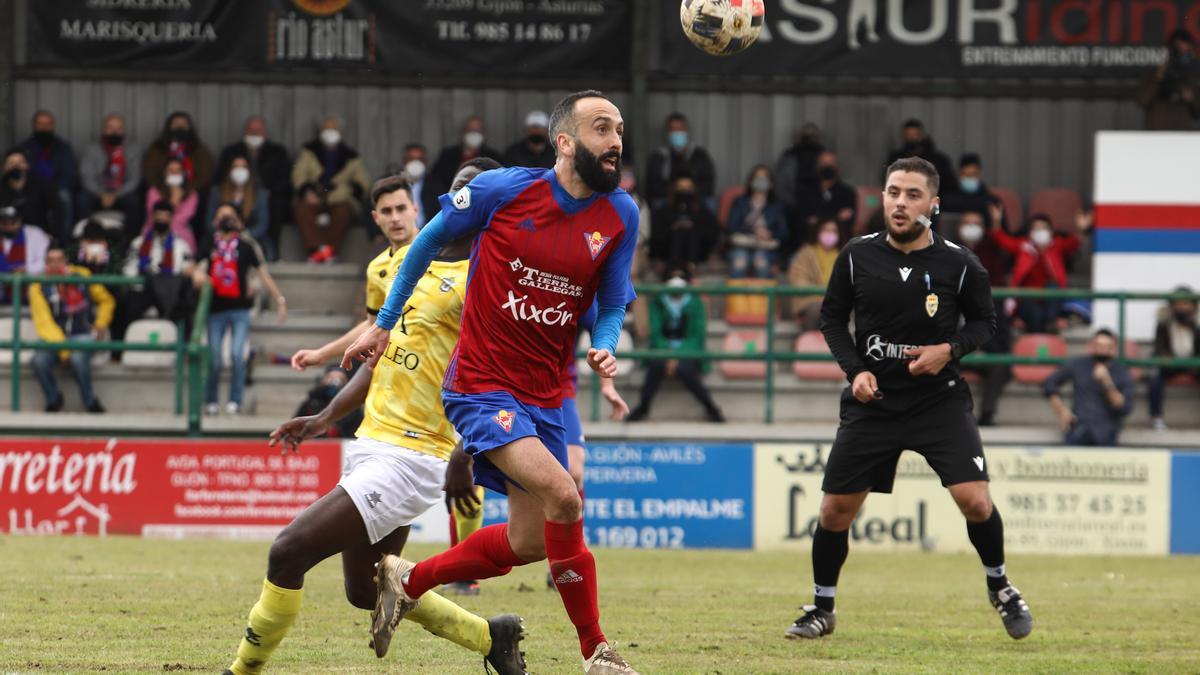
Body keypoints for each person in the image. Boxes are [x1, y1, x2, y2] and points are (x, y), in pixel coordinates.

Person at [344, 89, 640, 674]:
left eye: (620, 131)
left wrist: (603, 349)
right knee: (564, 494)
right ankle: (597, 653)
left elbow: (611, 306)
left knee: (529, 542)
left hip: (546, 392)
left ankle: (407, 580)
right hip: (482, 384)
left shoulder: (620, 214)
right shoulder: (504, 189)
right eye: (602, 129)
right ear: (565, 142)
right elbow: (426, 241)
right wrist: (383, 326)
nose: (616, 142)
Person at [222, 201, 527, 674]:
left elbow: (500, 378)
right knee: (366, 590)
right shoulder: (405, 266)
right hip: (373, 444)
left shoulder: (481, 280)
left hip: (413, 454)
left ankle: (239, 671)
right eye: (457, 191)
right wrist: (324, 416)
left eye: (475, 192)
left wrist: (464, 451)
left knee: (287, 552)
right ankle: (492, 637)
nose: (462, 200)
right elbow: (380, 354)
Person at [789, 157, 1032, 642]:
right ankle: (822, 608)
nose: (900, 202)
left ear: (932, 205)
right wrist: (855, 371)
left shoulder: (960, 264)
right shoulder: (857, 255)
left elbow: (986, 323)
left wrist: (950, 349)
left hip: (937, 402)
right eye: (893, 192)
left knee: (976, 502)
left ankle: (1001, 588)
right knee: (834, 513)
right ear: (882, 197)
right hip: (873, 402)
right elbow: (833, 321)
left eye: (913, 194)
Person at [194, 204, 287, 415]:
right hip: (214, 310)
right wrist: (196, 275)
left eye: (230, 217)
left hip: (239, 311)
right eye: (221, 217)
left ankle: (235, 401)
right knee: (215, 358)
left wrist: (280, 299)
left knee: (237, 354)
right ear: (214, 221)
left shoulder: (246, 246)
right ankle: (211, 400)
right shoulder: (209, 243)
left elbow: (263, 273)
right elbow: (191, 265)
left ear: (239, 222)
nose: (226, 221)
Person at [627, 266, 723, 423]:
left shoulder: (695, 302)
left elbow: (695, 337)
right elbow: (656, 333)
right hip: (662, 349)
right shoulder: (658, 302)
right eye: (672, 277)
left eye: (681, 277)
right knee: (657, 367)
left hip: (687, 350)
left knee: (685, 370)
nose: (676, 282)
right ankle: (643, 407)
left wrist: (676, 357)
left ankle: (711, 407)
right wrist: (668, 354)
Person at [28, 246, 114, 413]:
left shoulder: (82, 276)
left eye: (59, 259)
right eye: (51, 261)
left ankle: (90, 401)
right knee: (38, 361)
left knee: (78, 359)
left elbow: (106, 300)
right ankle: (53, 398)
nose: (56, 264)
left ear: (66, 261)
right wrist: (64, 350)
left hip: (82, 333)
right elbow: (44, 322)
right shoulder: (37, 286)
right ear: (46, 264)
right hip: (53, 338)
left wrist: (101, 322)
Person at [951, 210, 1012, 426]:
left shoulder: (993, 295)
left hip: (985, 350)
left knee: (999, 365)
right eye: (967, 222)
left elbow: (1000, 330)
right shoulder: (947, 257)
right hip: (951, 349)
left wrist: (983, 348)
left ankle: (986, 414)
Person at [112, 202, 196, 352]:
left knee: (183, 306)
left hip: (169, 291)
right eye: (159, 215)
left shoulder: (180, 245)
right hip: (143, 289)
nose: (162, 219)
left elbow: (185, 269)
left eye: (166, 216)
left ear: (171, 219)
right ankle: (119, 352)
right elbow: (129, 269)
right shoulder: (138, 243)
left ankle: (183, 351)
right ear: (152, 217)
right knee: (124, 305)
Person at [987, 212, 1087, 333]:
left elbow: (1074, 242)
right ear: (1030, 233)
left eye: (1043, 228)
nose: (1040, 232)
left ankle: (1051, 324)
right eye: (1036, 229)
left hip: (1052, 301)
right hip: (1027, 298)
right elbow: (1002, 240)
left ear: (1050, 232)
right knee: (1035, 312)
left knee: (1053, 287)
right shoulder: (1022, 245)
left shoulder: (1058, 245)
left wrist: (1081, 228)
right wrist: (996, 222)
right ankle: (1038, 343)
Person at [291, 116, 371, 263]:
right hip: (314, 196)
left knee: (343, 212)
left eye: (333, 128)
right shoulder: (309, 152)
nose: (329, 132)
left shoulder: (351, 156)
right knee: (301, 209)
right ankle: (316, 250)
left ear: (340, 132)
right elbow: (299, 174)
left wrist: (347, 191)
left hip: (341, 199)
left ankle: (329, 251)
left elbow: (363, 183)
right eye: (326, 128)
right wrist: (307, 192)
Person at [1043, 329, 1135, 446]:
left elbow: (1124, 407)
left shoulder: (1121, 371)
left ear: (1114, 349)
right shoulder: (1078, 364)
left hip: (1106, 431)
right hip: (1078, 428)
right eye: (1098, 345)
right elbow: (1049, 383)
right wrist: (1061, 410)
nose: (1102, 349)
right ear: (1091, 346)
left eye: (1107, 346)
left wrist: (1107, 382)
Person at [218, 116, 292, 261]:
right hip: (232, 206)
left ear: (265, 132)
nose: (254, 133)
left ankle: (273, 252)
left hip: (265, 197)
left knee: (276, 205)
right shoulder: (232, 151)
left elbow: (284, 179)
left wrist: (244, 234)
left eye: (258, 130)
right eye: (251, 130)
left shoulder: (277, 152)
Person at [424, 116, 504, 222]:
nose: (474, 134)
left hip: (483, 210)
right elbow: (436, 184)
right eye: (470, 130)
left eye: (478, 130)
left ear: (484, 133)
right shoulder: (447, 156)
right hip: (450, 209)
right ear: (463, 132)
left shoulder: (494, 156)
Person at [78, 113, 143, 231]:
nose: (114, 132)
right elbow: (87, 177)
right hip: (98, 192)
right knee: (82, 199)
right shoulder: (92, 148)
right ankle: (86, 237)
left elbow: (134, 179)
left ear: (124, 130)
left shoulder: (133, 148)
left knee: (134, 201)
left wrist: (116, 194)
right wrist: (102, 194)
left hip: (122, 192)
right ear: (103, 129)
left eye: (119, 128)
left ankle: (129, 241)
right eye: (110, 127)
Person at [17, 110, 80, 232]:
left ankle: (63, 241)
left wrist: (54, 188)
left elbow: (70, 174)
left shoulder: (63, 147)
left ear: (53, 126)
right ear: (34, 125)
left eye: (48, 124)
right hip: (33, 188)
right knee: (30, 199)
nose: (44, 128)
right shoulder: (24, 148)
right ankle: (36, 240)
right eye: (40, 124)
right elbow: (22, 173)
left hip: (57, 187)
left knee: (65, 197)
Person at [1148, 289, 1200, 431]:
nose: (1182, 307)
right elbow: (1159, 348)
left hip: (1193, 364)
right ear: (1172, 306)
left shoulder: (1197, 325)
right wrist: (1169, 360)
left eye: (1186, 304)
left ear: (1193, 306)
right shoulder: (1164, 324)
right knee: (1154, 375)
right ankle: (1157, 417)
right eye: (1178, 304)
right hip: (1170, 364)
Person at [726, 165, 789, 279]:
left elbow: (783, 232)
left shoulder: (777, 206)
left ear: (771, 183)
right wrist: (754, 231)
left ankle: (764, 297)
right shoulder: (740, 202)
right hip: (742, 245)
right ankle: (737, 296)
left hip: (765, 247)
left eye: (764, 178)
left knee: (761, 263)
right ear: (751, 181)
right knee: (739, 263)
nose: (760, 181)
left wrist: (770, 234)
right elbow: (732, 226)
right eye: (757, 177)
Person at [207, 152, 272, 259]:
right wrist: (223, 234)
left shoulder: (260, 195)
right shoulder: (217, 192)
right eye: (235, 167)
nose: (239, 170)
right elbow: (209, 221)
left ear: (250, 171)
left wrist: (243, 235)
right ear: (229, 171)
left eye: (243, 167)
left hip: (250, 238)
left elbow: (262, 224)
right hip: (221, 238)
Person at [645, 112, 716, 209]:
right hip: (667, 200)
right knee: (657, 203)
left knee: (709, 203)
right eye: (673, 130)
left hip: (695, 199)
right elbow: (652, 187)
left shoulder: (700, 155)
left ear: (686, 131)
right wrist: (673, 190)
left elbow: (708, 185)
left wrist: (690, 189)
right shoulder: (659, 156)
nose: (677, 133)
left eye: (680, 129)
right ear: (667, 133)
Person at [648, 172, 719, 269]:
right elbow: (656, 235)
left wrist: (694, 226)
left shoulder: (701, 208)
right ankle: (674, 268)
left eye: (688, 188)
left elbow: (712, 232)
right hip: (668, 248)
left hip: (697, 249)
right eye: (680, 187)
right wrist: (673, 227)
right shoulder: (664, 209)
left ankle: (691, 267)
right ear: (674, 188)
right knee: (679, 234)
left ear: (694, 189)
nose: (684, 191)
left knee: (692, 233)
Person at [1137, 28, 1200, 130]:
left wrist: (1191, 99)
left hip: (1183, 135)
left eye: (1186, 49)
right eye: (1177, 49)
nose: (1182, 53)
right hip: (1157, 131)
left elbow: (1197, 112)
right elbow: (1142, 101)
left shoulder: (1194, 74)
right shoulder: (1155, 72)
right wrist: (1157, 79)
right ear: (1169, 49)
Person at [787, 218, 842, 330]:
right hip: (809, 301)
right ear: (818, 232)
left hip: (837, 303)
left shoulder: (845, 255)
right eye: (826, 230)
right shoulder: (804, 254)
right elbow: (798, 281)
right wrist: (820, 295)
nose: (829, 234)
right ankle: (808, 344)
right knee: (818, 309)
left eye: (833, 231)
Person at [142, 111, 215, 195]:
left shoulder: (199, 149)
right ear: (169, 127)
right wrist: (165, 190)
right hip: (162, 190)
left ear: (189, 128)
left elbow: (205, 174)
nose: (180, 127)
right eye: (176, 124)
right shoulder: (157, 148)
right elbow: (150, 174)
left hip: (193, 191)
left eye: (184, 124)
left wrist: (187, 190)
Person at [794, 151, 857, 248]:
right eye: (823, 164)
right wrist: (836, 216)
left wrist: (818, 219)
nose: (827, 167)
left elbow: (848, 222)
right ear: (817, 167)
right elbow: (802, 220)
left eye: (831, 164)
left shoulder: (847, 193)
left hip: (840, 246)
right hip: (809, 245)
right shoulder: (805, 192)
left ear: (837, 167)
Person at [1, 149, 63, 241]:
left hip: (39, 235)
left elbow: (58, 210)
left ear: (27, 165)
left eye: (21, 162)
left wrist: (53, 234)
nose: (16, 166)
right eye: (11, 163)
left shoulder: (41, 185)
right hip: (6, 237)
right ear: (4, 168)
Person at [884, 119, 957, 193]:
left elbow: (948, 184)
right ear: (903, 136)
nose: (912, 138)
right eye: (908, 135)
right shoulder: (896, 159)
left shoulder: (939, 160)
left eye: (915, 134)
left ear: (922, 135)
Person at [144, 157, 201, 251]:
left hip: (180, 230)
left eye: (178, 170)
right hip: (155, 227)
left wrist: (176, 195)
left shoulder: (192, 194)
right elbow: (153, 213)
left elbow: (183, 217)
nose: (175, 173)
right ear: (164, 173)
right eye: (171, 170)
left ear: (184, 173)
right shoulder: (153, 191)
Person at [774, 123, 825, 212]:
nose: (810, 137)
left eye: (813, 134)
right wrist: (789, 203)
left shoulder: (824, 154)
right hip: (793, 203)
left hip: (819, 203)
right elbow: (780, 182)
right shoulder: (790, 154)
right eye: (807, 134)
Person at [1, 202, 52, 277]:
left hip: (31, 282)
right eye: (5, 223)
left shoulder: (35, 234)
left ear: (20, 220)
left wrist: (26, 269)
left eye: (13, 222)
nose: (9, 227)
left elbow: (46, 261)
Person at [400, 143, 430, 228]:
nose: (415, 163)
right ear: (404, 160)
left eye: (420, 159)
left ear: (425, 162)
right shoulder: (391, 183)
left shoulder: (435, 185)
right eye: (411, 159)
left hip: (427, 235)